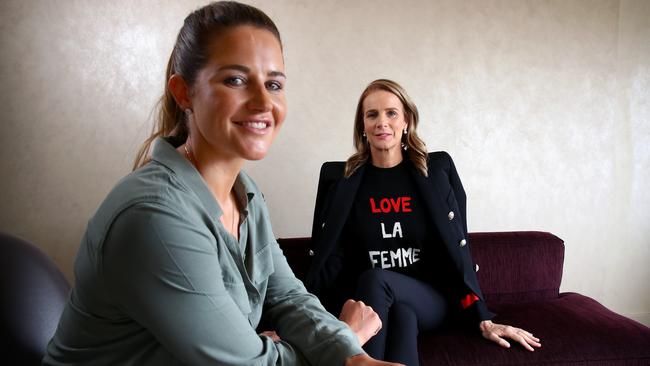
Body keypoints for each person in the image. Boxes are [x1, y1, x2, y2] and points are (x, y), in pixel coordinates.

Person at [42, 3, 402, 365]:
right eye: (236, 80)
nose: (264, 102)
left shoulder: (248, 196)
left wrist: (349, 355)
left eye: (274, 84)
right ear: (184, 92)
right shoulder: (154, 217)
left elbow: (287, 297)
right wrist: (349, 336)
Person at [305, 79, 542, 365]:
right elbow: (331, 259)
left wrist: (482, 318)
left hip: (431, 298)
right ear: (362, 127)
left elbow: (457, 254)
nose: (382, 122)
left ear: (406, 121)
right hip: (373, 304)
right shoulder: (342, 182)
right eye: (372, 114)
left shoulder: (435, 173)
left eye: (391, 113)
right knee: (401, 315)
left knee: (377, 279)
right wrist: (301, 321)